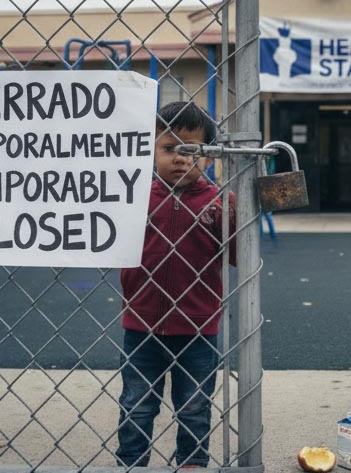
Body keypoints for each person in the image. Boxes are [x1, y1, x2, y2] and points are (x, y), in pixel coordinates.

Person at [116, 101, 235, 469]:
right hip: (142, 324)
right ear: (150, 150)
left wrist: (231, 217)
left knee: (195, 403)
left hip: (198, 326)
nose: (181, 158)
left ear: (209, 158)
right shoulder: (133, 197)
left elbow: (238, 257)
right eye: (169, 148)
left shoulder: (218, 202)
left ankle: (192, 461)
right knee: (137, 401)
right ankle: (131, 461)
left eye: (192, 150)